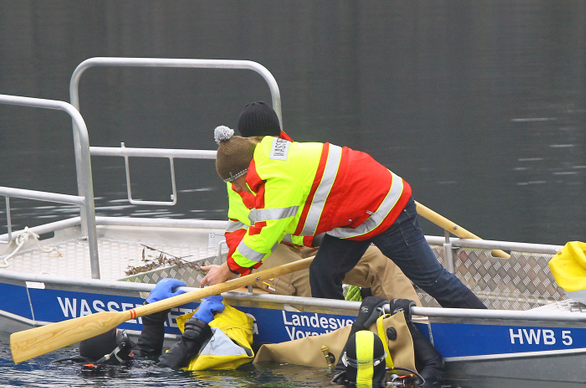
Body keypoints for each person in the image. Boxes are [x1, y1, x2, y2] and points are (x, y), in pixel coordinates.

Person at [201, 132, 486, 310]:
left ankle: (487, 325)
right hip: (352, 221)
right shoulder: (269, 158)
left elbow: (264, 235)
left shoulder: (277, 180)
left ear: (243, 171)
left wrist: (226, 270)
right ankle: (342, 334)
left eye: (235, 183)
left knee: (431, 279)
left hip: (385, 208)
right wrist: (232, 268)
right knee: (323, 273)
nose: (236, 189)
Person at [220, 103, 419, 303]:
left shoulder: (295, 161)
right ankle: (337, 322)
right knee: (309, 277)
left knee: (382, 261)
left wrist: (325, 239)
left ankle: (416, 319)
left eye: (269, 139)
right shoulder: (238, 181)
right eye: (257, 141)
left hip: (309, 243)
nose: (264, 146)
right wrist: (235, 267)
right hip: (265, 250)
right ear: (244, 142)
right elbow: (240, 227)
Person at [66, 278, 249, 373]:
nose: (132, 349)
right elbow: (164, 367)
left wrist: (153, 313)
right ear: (114, 356)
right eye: (123, 341)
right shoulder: (130, 381)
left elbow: (145, 354)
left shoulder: (119, 368)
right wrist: (198, 324)